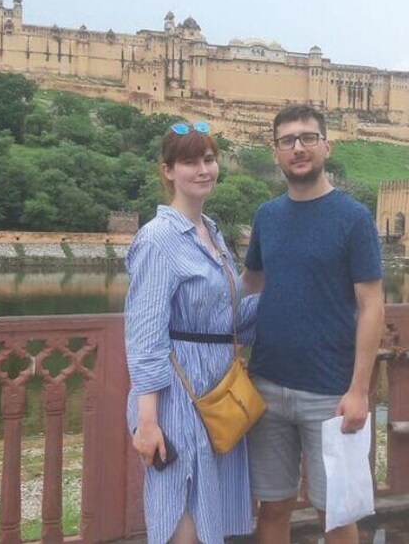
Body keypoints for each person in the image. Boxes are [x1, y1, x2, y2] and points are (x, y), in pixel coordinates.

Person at [242, 105, 385, 544]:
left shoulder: (353, 217)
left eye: (307, 138)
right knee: (273, 507)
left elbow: (372, 306)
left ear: (326, 145)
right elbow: (250, 285)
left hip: (330, 394)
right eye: (288, 140)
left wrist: (359, 390)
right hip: (265, 385)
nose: (298, 148)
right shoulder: (268, 216)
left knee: (336, 512)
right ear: (276, 153)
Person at [125, 121, 257, 544]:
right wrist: (147, 422)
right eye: (190, 162)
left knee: (207, 517)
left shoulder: (212, 233)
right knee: (180, 520)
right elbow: (145, 336)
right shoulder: (159, 238)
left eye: (209, 159)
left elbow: (229, 318)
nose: (203, 170)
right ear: (168, 171)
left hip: (215, 390)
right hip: (175, 397)